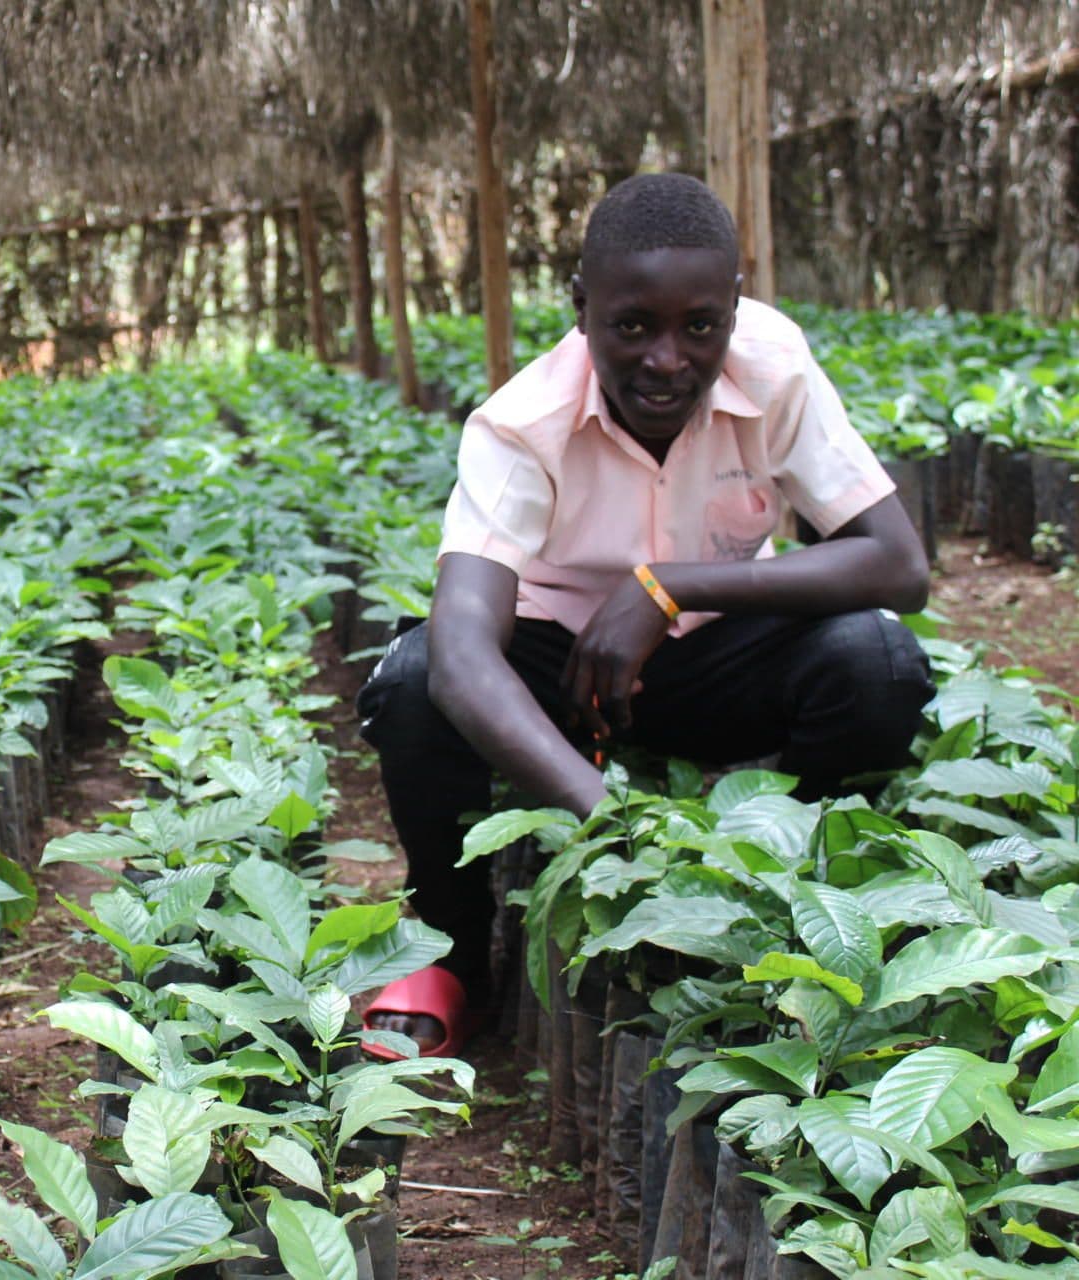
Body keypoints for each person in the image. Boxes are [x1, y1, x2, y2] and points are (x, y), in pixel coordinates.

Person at [356, 174, 934, 1053]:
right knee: (411, 683)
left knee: (880, 664)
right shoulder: (521, 426)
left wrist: (670, 586)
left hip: (715, 661)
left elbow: (898, 563)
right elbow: (466, 655)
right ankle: (453, 951)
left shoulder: (775, 370)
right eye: (632, 327)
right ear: (583, 308)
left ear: (734, 310)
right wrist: (614, 826)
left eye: (699, 326)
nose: (668, 359)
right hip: (563, 671)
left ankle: (790, 908)